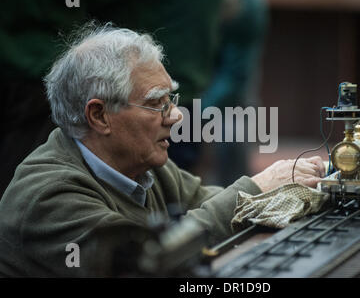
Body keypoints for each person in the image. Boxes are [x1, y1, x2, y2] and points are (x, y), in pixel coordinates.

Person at [0, 23, 325, 277]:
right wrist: (255, 188)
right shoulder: (46, 196)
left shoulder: (142, 163)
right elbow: (146, 260)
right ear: (99, 116)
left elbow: (207, 203)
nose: (176, 115)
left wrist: (292, 188)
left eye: (172, 98)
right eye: (157, 102)